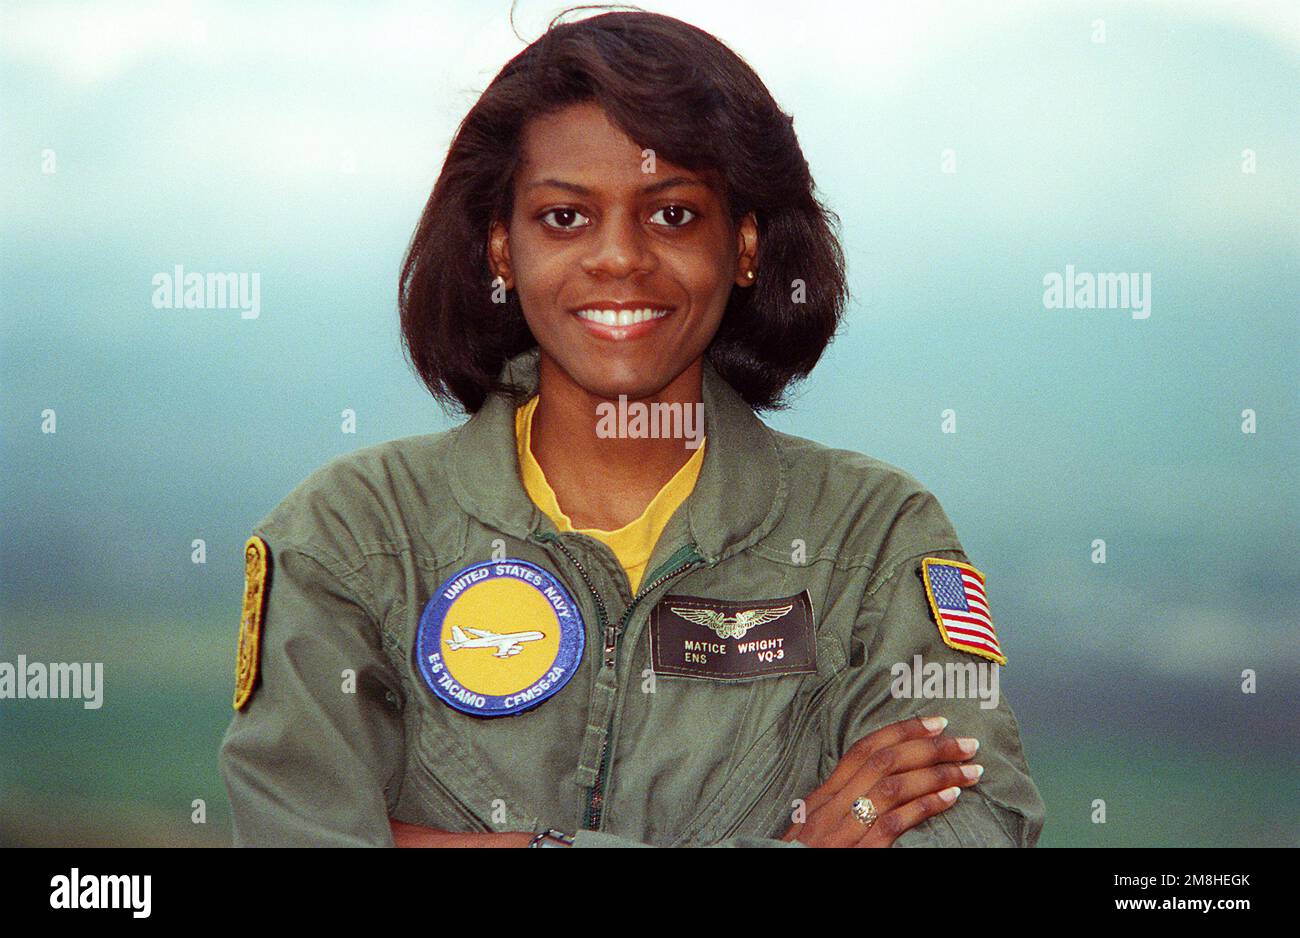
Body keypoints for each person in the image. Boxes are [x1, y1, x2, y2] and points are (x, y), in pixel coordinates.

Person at [219, 8, 1044, 848]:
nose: (619, 258)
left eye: (674, 214)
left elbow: (974, 827)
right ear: (503, 249)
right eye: (565, 217)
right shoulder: (353, 534)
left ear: (746, 246)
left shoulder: (874, 538)